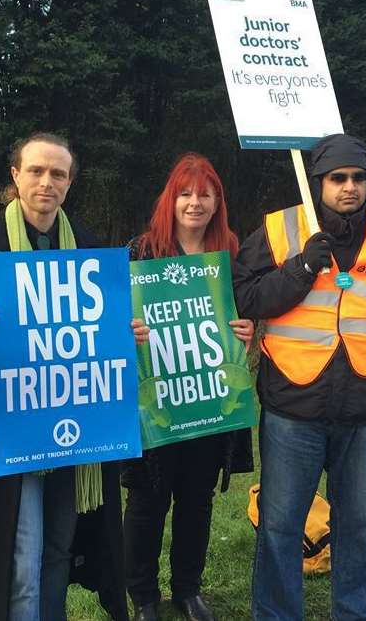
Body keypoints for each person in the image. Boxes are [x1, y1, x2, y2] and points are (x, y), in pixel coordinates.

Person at [0, 132, 147, 621]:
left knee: (59, 548)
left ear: (70, 183)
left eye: (58, 173)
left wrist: (125, 335)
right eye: (36, 170)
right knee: (20, 553)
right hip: (11, 428)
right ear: (15, 176)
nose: (46, 181)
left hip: (78, 430)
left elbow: (101, 331)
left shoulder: (92, 249)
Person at [233, 134, 366, 620]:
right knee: (280, 527)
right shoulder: (280, 230)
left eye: (358, 179)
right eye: (338, 178)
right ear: (318, 182)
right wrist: (301, 269)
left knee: (359, 527)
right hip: (292, 406)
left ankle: (356, 613)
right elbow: (246, 299)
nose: (349, 188)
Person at [122, 153, 255, 621]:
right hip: (156, 399)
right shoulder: (140, 252)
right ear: (169, 199)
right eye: (185, 193)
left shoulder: (231, 253)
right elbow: (108, 317)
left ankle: (187, 588)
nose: (194, 203)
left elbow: (246, 308)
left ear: (218, 200)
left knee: (196, 500)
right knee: (147, 499)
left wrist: (247, 328)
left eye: (204, 194)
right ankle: (141, 595)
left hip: (210, 398)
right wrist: (125, 327)